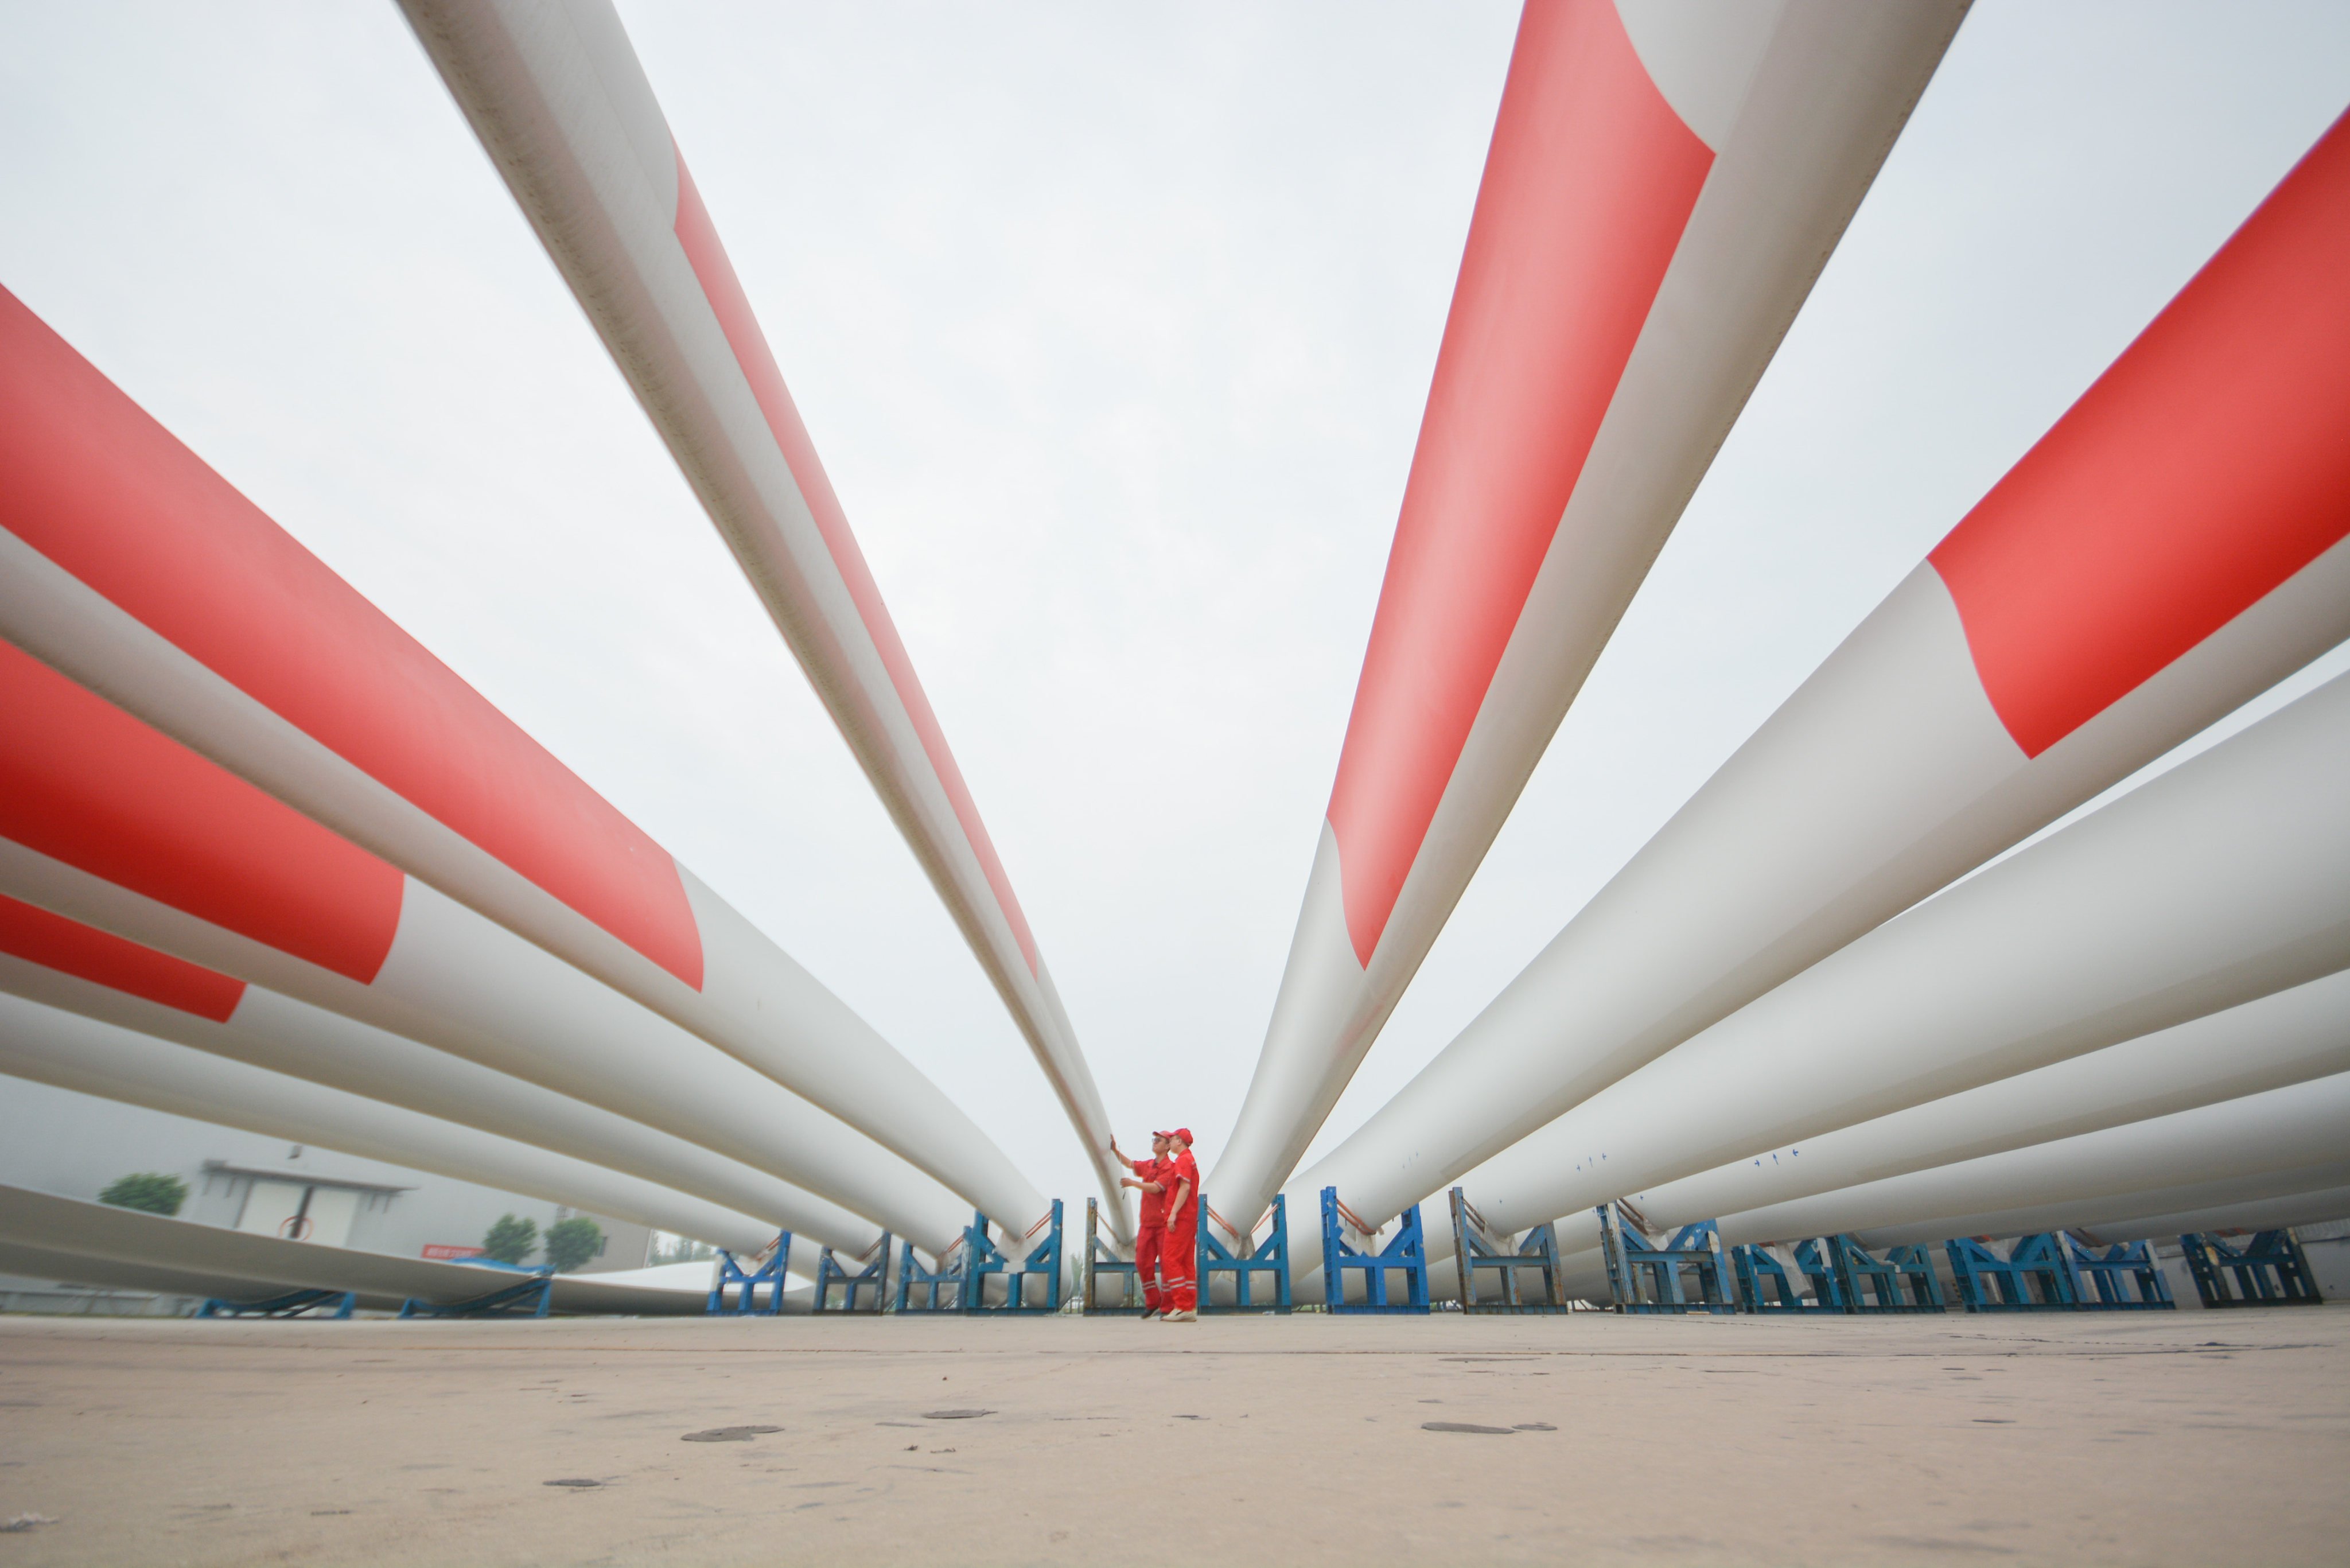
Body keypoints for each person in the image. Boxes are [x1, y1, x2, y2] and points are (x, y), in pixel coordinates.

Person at [1111, 1131, 1172, 1317]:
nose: (1154, 1142)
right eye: (1154, 1140)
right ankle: (1153, 1301)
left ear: (1168, 1146)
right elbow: (1131, 1164)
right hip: (1146, 1224)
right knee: (1142, 1263)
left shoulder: (1169, 1168)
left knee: (1168, 1266)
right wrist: (1114, 1150)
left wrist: (1133, 1184)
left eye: (1158, 1140)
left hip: (1162, 1225)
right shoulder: (1149, 1165)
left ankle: (1168, 1306)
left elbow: (1155, 1188)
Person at [1157, 1128, 1200, 1322]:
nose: (1170, 1143)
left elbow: (1185, 1187)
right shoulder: (1189, 1159)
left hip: (1181, 1218)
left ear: (1179, 1142)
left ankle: (1182, 1305)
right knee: (1185, 1262)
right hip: (1189, 1218)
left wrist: (1173, 1213)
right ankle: (1189, 1307)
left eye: (1172, 1139)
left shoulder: (1183, 1160)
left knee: (1170, 1259)